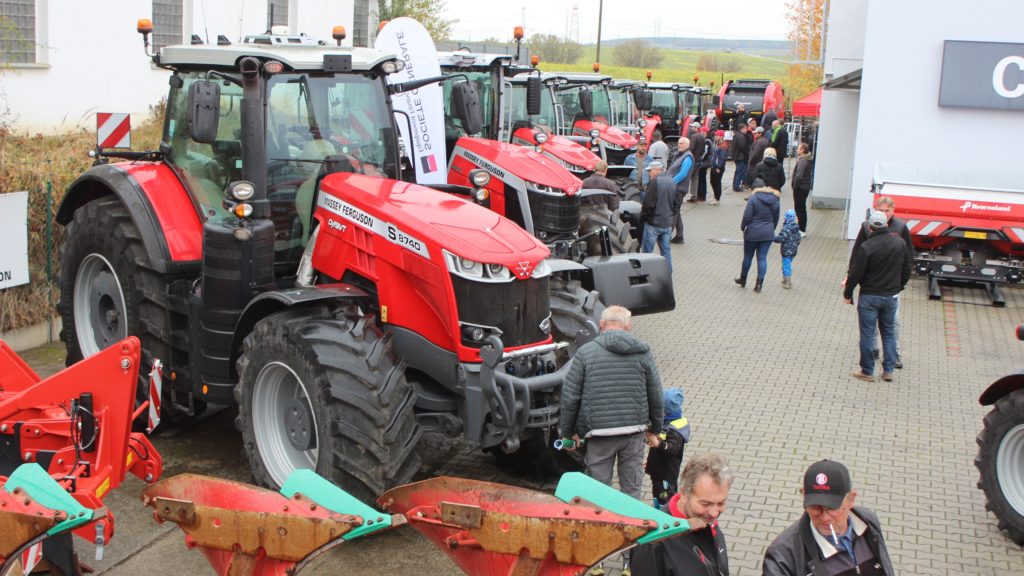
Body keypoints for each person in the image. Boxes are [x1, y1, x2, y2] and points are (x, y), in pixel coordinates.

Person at [558, 305, 664, 576]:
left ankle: (597, 561)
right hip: (634, 435)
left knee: (596, 497)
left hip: (599, 435)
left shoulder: (586, 353)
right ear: (627, 326)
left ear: (602, 325)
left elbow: (570, 397)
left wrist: (567, 431)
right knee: (631, 495)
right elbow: (656, 393)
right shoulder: (643, 351)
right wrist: (656, 429)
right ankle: (630, 561)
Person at [762, 460, 895, 576]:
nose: (824, 518)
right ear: (803, 496)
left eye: (832, 508)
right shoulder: (783, 555)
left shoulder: (868, 522)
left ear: (851, 499)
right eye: (815, 507)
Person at [630, 452, 732, 576]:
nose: (714, 513)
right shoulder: (652, 544)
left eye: (721, 503)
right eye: (705, 504)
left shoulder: (706, 522)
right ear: (684, 494)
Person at [844, 210, 912, 382]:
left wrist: (848, 293)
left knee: (867, 334)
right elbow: (907, 268)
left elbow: (855, 273)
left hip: (869, 296)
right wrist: (899, 286)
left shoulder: (867, 247)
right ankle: (888, 370)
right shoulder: (900, 243)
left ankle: (867, 371)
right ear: (886, 225)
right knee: (888, 333)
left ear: (871, 227)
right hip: (891, 296)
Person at [645, 388, 691, 510]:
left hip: (666, 475)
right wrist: (651, 461)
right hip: (658, 472)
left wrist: (657, 443)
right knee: (658, 495)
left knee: (665, 498)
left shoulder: (676, 430)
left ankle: (667, 515)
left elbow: (672, 449)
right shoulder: (667, 423)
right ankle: (659, 510)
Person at [735, 177, 780, 293]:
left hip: (752, 233)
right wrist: (771, 229)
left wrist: (743, 227)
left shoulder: (753, 199)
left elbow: (747, 216)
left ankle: (743, 279)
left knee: (748, 256)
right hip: (768, 233)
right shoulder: (775, 199)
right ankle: (759, 285)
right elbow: (776, 217)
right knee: (762, 258)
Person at [640, 161, 679, 271]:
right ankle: (667, 275)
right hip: (667, 224)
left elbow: (648, 204)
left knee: (647, 254)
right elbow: (677, 204)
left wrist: (643, 218)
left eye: (650, 171)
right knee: (666, 252)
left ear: (657, 170)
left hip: (653, 223)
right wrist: (671, 219)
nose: (649, 174)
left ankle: (646, 275)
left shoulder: (654, 182)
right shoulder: (673, 182)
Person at [667, 137, 694, 244]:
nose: (679, 145)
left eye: (682, 143)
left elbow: (683, 173)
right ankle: (679, 236)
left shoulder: (688, 157)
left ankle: (667, 235)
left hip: (678, 189)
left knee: (673, 211)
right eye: (678, 143)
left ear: (687, 145)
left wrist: (671, 182)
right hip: (675, 187)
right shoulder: (680, 154)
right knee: (676, 211)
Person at [774, 209, 802, 289]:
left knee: (786, 266)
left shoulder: (786, 229)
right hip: (793, 251)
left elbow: (780, 239)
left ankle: (787, 282)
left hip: (786, 251)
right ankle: (786, 280)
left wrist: (772, 238)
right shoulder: (796, 228)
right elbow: (798, 239)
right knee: (787, 264)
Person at [791, 143, 813, 236]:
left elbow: (799, 176)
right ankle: (801, 228)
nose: (797, 150)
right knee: (801, 208)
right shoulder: (806, 160)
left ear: (803, 150)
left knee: (799, 208)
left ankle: (802, 229)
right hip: (804, 187)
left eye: (798, 148)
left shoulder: (803, 161)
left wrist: (795, 186)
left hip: (800, 188)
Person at [687, 124, 708, 203]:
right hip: (699, 160)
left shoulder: (693, 136)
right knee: (695, 178)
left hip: (693, 160)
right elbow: (703, 150)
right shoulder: (702, 136)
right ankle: (694, 195)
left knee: (687, 177)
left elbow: (691, 148)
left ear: (696, 128)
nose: (691, 128)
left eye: (693, 127)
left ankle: (681, 193)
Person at [730, 123, 750, 192]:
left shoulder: (736, 135)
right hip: (741, 157)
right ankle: (737, 186)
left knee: (738, 171)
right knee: (740, 172)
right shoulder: (741, 136)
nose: (746, 130)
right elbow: (743, 147)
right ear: (742, 129)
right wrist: (747, 155)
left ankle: (735, 185)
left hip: (737, 156)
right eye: (745, 128)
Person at [709, 137, 728, 205]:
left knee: (717, 182)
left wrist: (719, 167)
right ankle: (715, 196)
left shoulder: (723, 146)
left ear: (721, 136)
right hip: (714, 166)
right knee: (712, 181)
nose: (715, 136)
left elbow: (722, 158)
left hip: (718, 167)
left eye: (717, 135)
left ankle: (717, 198)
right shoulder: (718, 144)